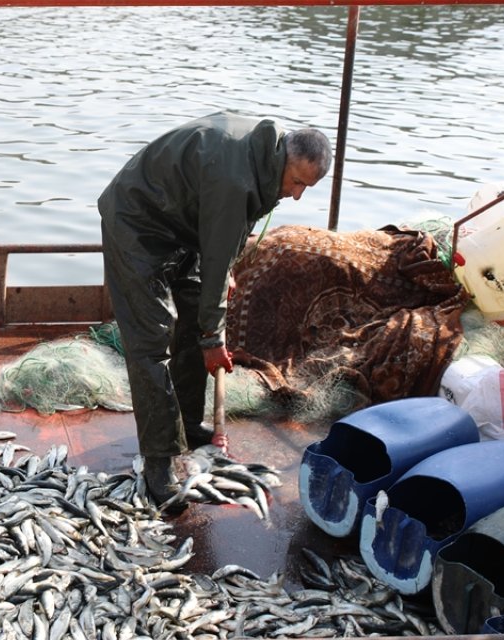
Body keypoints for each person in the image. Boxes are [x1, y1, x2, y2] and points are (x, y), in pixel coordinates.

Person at [98, 111, 332, 512]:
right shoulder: (235, 179)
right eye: (296, 182)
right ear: (285, 160)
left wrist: (220, 279)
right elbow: (223, 226)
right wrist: (213, 339)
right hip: (135, 223)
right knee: (153, 339)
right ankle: (157, 464)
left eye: (305, 189)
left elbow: (225, 239)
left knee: (193, 313)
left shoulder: (263, 159)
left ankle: (186, 424)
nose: (296, 195)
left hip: (180, 226)